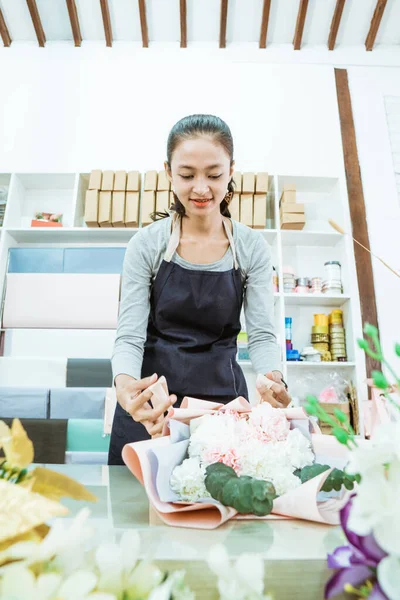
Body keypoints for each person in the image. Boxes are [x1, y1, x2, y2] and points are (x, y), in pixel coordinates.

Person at [108, 114, 291, 465]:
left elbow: (263, 335)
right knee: (134, 512)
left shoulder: (251, 247)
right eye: (187, 175)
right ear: (168, 172)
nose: (202, 188)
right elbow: (129, 335)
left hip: (221, 404)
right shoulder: (146, 245)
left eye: (214, 174)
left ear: (231, 170)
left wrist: (272, 379)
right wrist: (126, 387)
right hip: (152, 402)